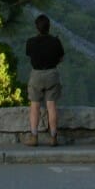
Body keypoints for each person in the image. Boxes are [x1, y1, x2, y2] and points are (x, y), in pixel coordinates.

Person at [24, 14, 65, 147]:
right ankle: (53, 137)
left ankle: (34, 136)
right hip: (52, 73)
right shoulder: (55, 41)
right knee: (51, 106)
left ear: (37, 28)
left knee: (35, 106)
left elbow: (29, 55)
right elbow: (61, 58)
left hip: (36, 74)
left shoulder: (30, 42)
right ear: (49, 27)